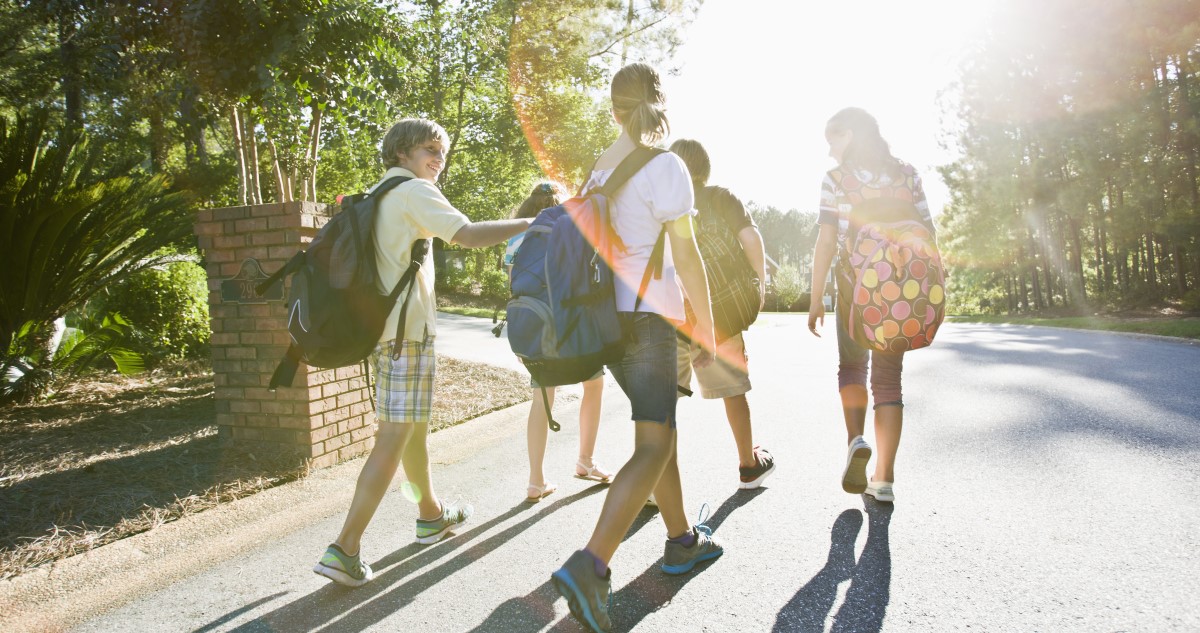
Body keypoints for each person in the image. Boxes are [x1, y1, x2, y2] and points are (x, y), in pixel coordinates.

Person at [313, 118, 536, 587]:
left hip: (386, 335)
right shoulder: (414, 192)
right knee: (395, 437)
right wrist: (536, 222)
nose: (438, 158)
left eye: (442, 151)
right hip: (406, 337)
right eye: (428, 149)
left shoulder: (378, 195)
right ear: (401, 152)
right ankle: (344, 547)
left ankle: (431, 515)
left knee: (412, 433)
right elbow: (469, 234)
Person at [550, 63, 722, 633]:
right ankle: (590, 564)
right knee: (653, 444)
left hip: (606, 325)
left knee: (658, 433)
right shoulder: (666, 165)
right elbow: (688, 254)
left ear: (613, 108)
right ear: (659, 101)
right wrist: (709, 327)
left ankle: (680, 540)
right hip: (650, 322)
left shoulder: (599, 170)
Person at [807, 107, 935, 504]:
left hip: (855, 286)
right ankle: (884, 478)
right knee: (888, 380)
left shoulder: (837, 180)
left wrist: (815, 298)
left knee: (852, 366)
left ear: (854, 135)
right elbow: (929, 233)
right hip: (902, 292)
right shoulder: (907, 174)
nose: (830, 151)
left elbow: (827, 242)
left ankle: (855, 442)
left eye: (835, 138)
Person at [668, 138, 775, 490]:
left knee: (662, 399)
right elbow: (751, 238)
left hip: (673, 313)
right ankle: (748, 464)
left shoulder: (664, 203)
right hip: (721, 309)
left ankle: (656, 481)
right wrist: (759, 284)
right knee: (733, 391)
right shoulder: (720, 197)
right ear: (704, 166)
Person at [504, 182, 613, 503]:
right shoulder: (566, 229)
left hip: (532, 326)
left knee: (542, 399)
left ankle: (535, 481)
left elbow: (513, 284)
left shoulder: (517, 239)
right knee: (593, 385)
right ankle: (586, 461)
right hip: (569, 326)